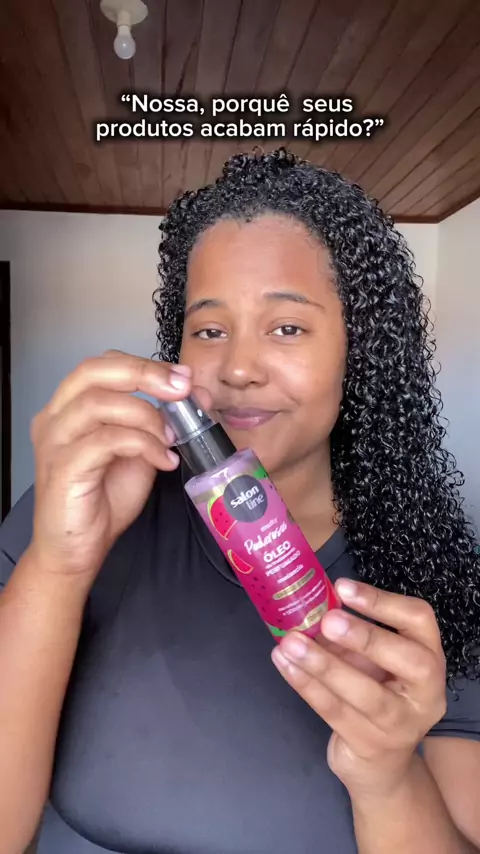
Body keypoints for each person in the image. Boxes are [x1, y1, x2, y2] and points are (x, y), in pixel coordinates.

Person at [1, 148, 480, 854]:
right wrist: (58, 567)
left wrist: (386, 777)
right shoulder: (85, 508)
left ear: (359, 350)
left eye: (287, 327)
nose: (238, 369)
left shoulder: (438, 567)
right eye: (209, 330)